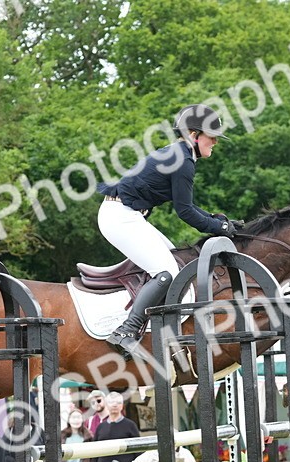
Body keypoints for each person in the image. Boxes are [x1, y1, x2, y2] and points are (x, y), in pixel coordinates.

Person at [97, 104, 238, 360]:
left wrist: (218, 222)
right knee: (167, 273)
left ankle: (151, 325)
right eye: (212, 136)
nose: (215, 142)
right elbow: (185, 212)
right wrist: (220, 227)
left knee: (175, 262)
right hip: (119, 217)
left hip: (125, 215)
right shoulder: (183, 160)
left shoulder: (179, 154)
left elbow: (189, 207)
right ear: (194, 135)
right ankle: (126, 331)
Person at [91, 392, 141, 462]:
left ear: (122, 406)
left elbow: (138, 452)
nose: (114, 405)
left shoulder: (130, 425)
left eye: (118, 402)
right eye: (111, 402)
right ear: (107, 405)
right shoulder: (101, 427)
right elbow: (94, 451)